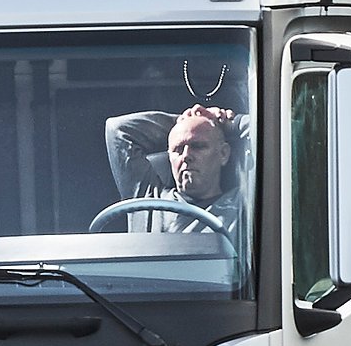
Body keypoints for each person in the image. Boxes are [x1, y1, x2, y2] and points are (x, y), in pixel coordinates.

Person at [101, 104, 251, 274]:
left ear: (223, 154)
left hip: (224, 296)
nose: (186, 156)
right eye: (178, 149)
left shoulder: (244, 204)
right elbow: (117, 131)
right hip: (163, 297)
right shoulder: (148, 200)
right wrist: (185, 121)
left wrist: (226, 123)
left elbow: (275, 131)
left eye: (198, 146)